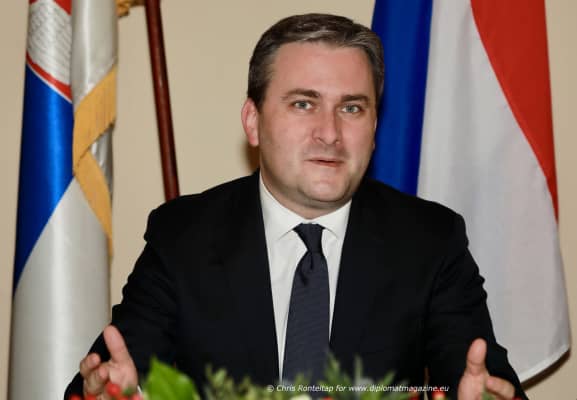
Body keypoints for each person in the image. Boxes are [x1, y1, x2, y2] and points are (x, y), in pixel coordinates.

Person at [65, 13, 527, 400]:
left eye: (352, 108)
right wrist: (106, 393)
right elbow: (107, 377)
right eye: (304, 104)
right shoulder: (184, 236)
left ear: (374, 127)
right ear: (253, 122)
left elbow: (480, 377)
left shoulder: (429, 240)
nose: (330, 133)